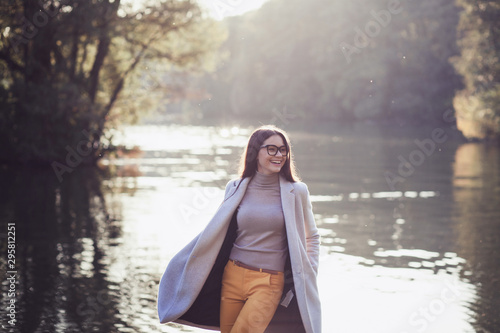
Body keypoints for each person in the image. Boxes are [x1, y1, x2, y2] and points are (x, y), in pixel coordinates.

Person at [157, 125, 321, 333]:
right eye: (272, 149)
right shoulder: (235, 187)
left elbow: (312, 237)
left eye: (283, 150)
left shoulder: (297, 191)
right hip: (232, 276)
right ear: (255, 152)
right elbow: (220, 231)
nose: (279, 155)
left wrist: (308, 272)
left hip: (268, 282)